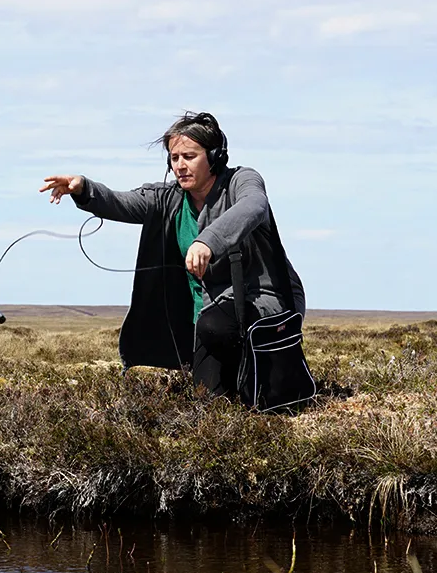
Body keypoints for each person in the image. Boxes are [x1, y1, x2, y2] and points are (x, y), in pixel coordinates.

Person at [40, 111, 305, 399]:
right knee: (208, 400)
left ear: (215, 156)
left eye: (189, 156)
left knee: (222, 334)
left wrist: (209, 241)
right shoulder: (169, 198)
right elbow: (121, 202)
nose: (180, 165)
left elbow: (254, 206)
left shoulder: (242, 181)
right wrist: (83, 188)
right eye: (174, 158)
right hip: (209, 314)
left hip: (265, 297)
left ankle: (269, 377)